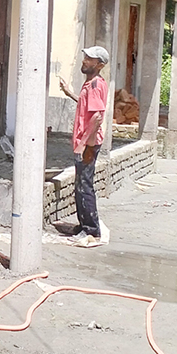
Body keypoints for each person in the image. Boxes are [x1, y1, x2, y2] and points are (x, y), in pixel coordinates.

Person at [59, 46, 110, 244]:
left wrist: (83, 145)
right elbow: (85, 103)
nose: (85, 61)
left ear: (100, 65)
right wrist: (69, 92)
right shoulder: (90, 84)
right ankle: (83, 225)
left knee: (84, 186)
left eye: (90, 59)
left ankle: (92, 230)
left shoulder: (96, 84)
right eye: (85, 57)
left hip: (88, 143)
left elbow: (97, 116)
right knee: (80, 184)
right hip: (85, 142)